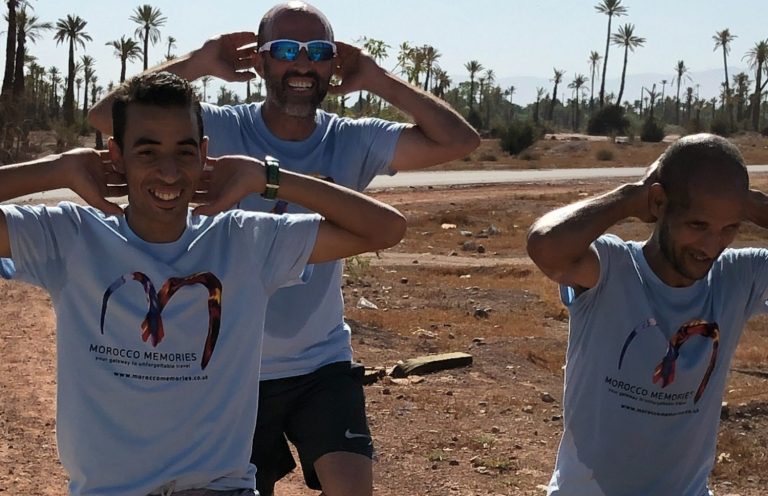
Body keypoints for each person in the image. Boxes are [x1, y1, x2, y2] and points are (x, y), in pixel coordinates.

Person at [89, 2, 479, 495]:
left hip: (320, 361)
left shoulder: (352, 138)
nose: (302, 64)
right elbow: (107, 117)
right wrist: (200, 62)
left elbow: (459, 141)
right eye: (286, 50)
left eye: (319, 52)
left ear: (334, 64)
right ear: (261, 62)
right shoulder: (217, 128)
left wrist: (378, 78)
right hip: (225, 365)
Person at [0, 71, 405, 496]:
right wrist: (56, 170)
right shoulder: (70, 237)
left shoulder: (244, 241)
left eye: (184, 151)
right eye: (147, 152)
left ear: (205, 153)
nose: (169, 172)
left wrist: (267, 178)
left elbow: (384, 229)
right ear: (116, 157)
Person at [526, 133, 768, 496]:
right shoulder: (611, 269)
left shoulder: (738, 276)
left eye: (729, 228)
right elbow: (545, 244)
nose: (710, 246)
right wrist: (631, 196)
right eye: (698, 225)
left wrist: (747, 203)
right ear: (660, 202)